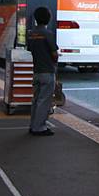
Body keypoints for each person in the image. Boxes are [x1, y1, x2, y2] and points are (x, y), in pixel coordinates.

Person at [27, 7, 58, 136]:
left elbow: (30, 49)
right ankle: (39, 127)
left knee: (36, 99)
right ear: (48, 19)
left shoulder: (31, 34)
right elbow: (54, 54)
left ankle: (33, 124)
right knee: (44, 101)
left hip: (36, 71)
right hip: (47, 71)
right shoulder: (48, 34)